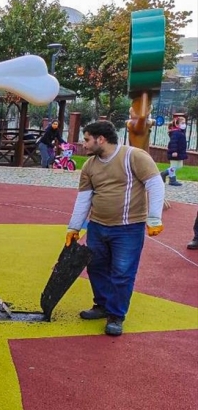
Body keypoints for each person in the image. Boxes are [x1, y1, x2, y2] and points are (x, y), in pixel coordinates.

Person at [65, 121, 164, 337]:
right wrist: (74, 227)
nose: (84, 144)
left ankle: (116, 316)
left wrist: (154, 218)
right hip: (98, 227)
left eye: (87, 139)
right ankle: (102, 305)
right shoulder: (90, 166)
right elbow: (84, 199)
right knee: (96, 267)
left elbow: (155, 184)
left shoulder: (133, 157)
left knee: (122, 273)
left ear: (101, 139)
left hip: (128, 228)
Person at [161, 116, 187, 187]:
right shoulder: (176, 133)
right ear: (177, 124)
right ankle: (172, 180)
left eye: (184, 123)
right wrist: (174, 151)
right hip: (175, 153)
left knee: (179, 166)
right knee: (174, 166)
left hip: (179, 152)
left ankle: (164, 173)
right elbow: (173, 143)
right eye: (182, 123)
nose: (184, 124)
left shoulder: (180, 132)